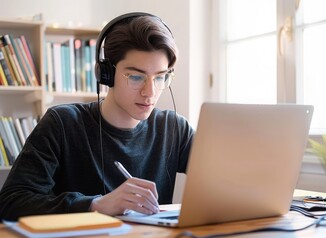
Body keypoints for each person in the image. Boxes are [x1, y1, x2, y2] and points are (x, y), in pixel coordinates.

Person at [0, 12, 194, 221]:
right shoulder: (62, 123)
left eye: (160, 77)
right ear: (105, 74)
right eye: (136, 77)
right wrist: (95, 205)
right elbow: (11, 201)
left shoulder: (175, 128)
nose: (150, 92)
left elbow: (226, 181)